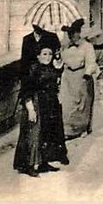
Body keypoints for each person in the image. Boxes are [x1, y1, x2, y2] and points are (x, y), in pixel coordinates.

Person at [13, 45, 68, 177]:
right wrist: (31, 109)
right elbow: (26, 91)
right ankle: (29, 165)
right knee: (34, 134)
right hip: (36, 104)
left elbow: (57, 75)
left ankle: (43, 162)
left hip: (49, 104)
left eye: (50, 54)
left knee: (47, 133)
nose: (48, 57)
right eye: (44, 54)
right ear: (38, 56)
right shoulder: (33, 70)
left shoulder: (50, 68)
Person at [59, 19, 100, 139]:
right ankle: (68, 130)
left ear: (79, 33)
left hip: (81, 76)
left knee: (82, 103)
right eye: (70, 34)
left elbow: (91, 62)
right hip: (68, 77)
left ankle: (82, 128)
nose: (72, 36)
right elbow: (61, 62)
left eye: (74, 33)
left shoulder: (87, 46)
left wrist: (87, 74)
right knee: (67, 104)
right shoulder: (64, 46)